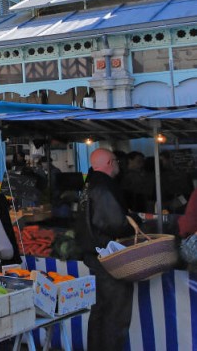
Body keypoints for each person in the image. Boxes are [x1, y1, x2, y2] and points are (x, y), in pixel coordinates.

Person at [76, 148, 135, 351]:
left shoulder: (89, 184)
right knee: (114, 313)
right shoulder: (103, 187)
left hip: (93, 255)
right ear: (110, 162)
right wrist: (133, 222)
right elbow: (115, 223)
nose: (119, 164)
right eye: (116, 161)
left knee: (100, 311)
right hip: (109, 257)